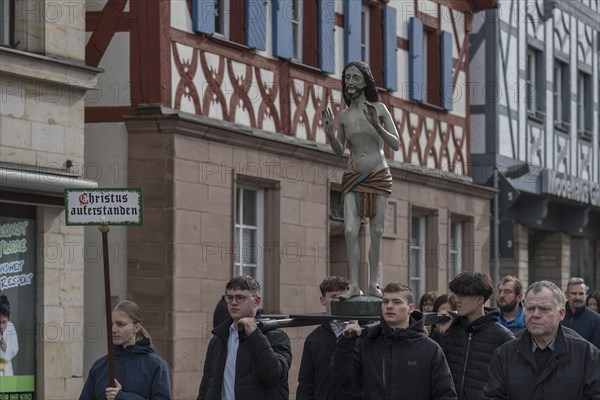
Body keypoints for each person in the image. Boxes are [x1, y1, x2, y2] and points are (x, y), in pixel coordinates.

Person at [322, 61, 400, 298]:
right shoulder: (344, 115)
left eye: (356, 78)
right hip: (353, 176)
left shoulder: (379, 108)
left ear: (365, 81)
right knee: (349, 231)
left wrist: (377, 125)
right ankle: (354, 285)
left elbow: (395, 143)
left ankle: (373, 284)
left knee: (376, 232)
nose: (350, 83)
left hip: (378, 174)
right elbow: (339, 149)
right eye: (347, 78)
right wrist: (328, 132)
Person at [331, 282, 457, 400]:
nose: (389, 306)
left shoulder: (430, 349)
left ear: (410, 308)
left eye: (397, 302)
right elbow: (343, 382)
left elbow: (445, 395)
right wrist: (345, 343)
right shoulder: (365, 343)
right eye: (385, 302)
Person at [483, 280, 600, 400]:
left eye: (544, 309)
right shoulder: (505, 354)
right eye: (530, 309)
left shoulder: (586, 355)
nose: (535, 314)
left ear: (561, 313)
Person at [197, 276, 292, 400]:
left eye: (240, 297)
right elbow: (207, 385)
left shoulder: (277, 336)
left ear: (256, 301)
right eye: (229, 298)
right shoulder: (218, 339)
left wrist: (254, 335)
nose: (233, 302)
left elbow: (275, 376)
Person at [432, 272, 515, 400]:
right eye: (456, 294)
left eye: (463, 295)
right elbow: (433, 371)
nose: (457, 300)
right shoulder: (449, 327)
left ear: (480, 299)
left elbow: (510, 387)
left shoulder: (504, 337)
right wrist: (440, 334)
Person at [79, 300, 172, 399]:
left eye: (120, 324)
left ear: (136, 328)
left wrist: (122, 396)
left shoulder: (157, 366)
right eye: (111, 324)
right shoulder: (99, 366)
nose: (113, 330)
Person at [297, 276, 352, 400]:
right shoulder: (314, 338)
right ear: (323, 300)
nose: (340, 302)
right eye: (334, 297)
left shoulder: (362, 334)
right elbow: (306, 382)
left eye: (344, 298)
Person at [560, 277, 600, 348]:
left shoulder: (596, 320)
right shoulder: (558, 316)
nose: (578, 297)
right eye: (574, 293)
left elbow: (596, 351)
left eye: (581, 294)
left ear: (585, 295)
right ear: (566, 294)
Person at [0, 295, 18, 377]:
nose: (1, 326)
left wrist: (6, 348)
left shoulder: (10, 326)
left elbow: (15, 348)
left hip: (6, 370)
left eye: (4, 322)